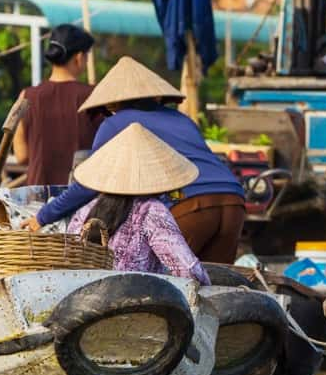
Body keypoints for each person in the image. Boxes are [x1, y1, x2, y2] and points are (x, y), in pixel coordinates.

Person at [24, 57, 246, 264]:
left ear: (111, 104)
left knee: (170, 283)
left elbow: (89, 184)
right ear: (154, 95)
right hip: (234, 200)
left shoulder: (114, 124)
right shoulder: (182, 119)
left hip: (188, 203)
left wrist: (43, 217)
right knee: (216, 286)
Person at [66, 122, 210, 284]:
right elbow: (187, 270)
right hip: (136, 302)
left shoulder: (85, 210)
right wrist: (208, 286)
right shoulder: (151, 211)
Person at [13, 24, 102, 185]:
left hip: (38, 199)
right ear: (79, 57)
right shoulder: (95, 96)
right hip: (81, 198)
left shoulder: (27, 96)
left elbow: (21, 156)